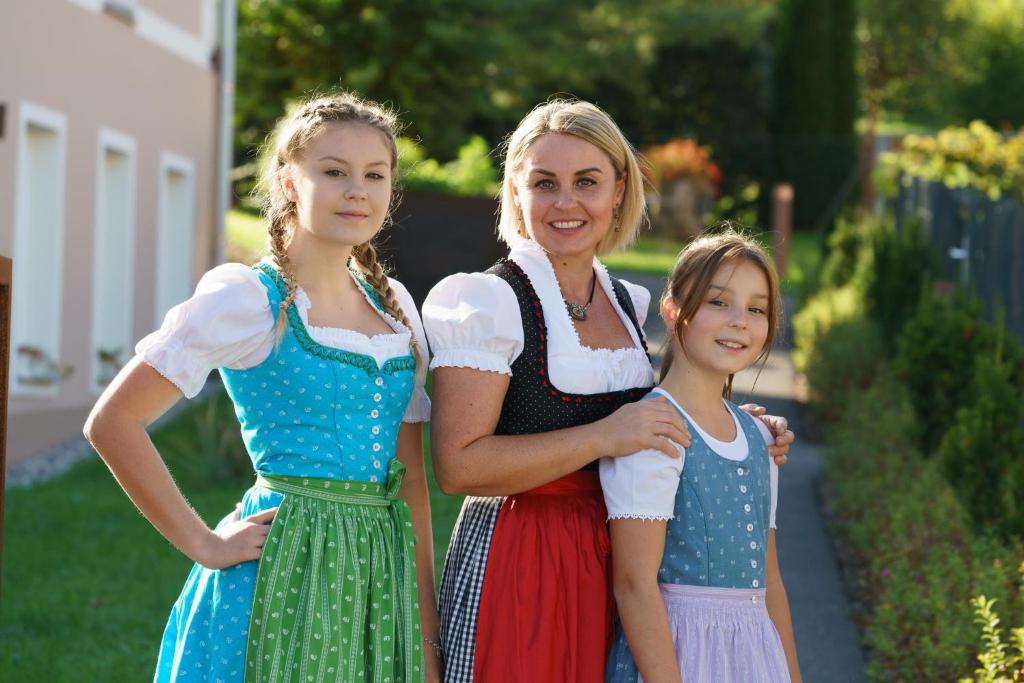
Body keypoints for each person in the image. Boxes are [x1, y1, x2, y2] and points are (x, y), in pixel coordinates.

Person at [422, 99, 794, 682]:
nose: (566, 203)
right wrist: (602, 436)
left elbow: (658, 416)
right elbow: (457, 467)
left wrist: (734, 428)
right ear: (516, 192)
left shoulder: (625, 303)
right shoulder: (488, 301)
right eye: (545, 183)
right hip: (523, 557)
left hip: (614, 557)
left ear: (618, 190)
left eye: (587, 182)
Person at [84, 93, 441, 682]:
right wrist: (204, 544)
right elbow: (113, 422)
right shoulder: (250, 300)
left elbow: (412, 486)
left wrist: (424, 635)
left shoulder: (396, 307)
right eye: (333, 172)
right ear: (289, 181)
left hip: (380, 579)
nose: (357, 190)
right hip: (280, 566)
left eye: (375, 175)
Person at [602, 228, 802, 683]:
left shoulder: (760, 436)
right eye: (718, 302)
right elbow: (634, 587)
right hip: (678, 656)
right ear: (673, 311)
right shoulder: (653, 430)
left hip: (754, 659)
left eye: (757, 309)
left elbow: (770, 582)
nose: (739, 321)